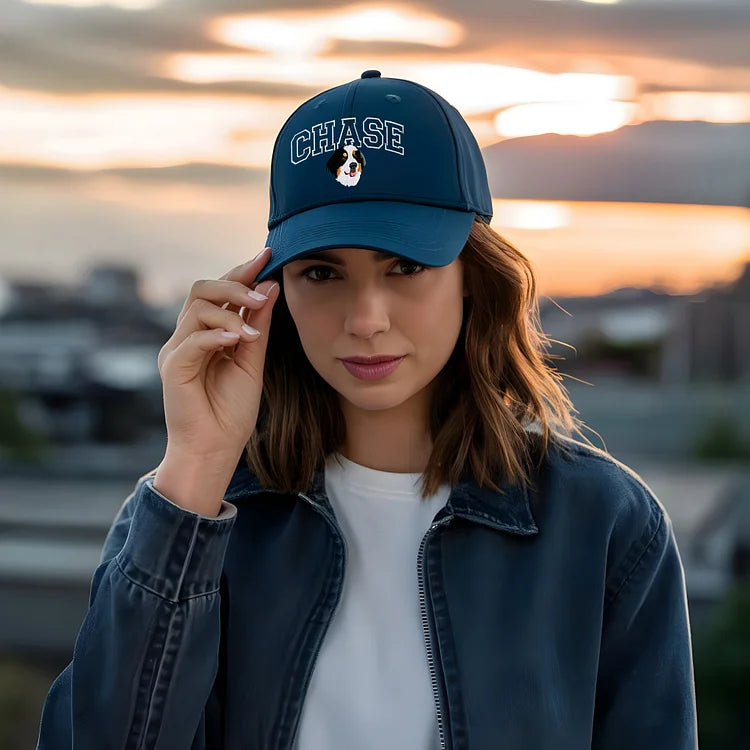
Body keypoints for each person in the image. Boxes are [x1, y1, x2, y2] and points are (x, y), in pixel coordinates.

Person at [36, 70, 698, 749]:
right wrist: (199, 462)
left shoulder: (603, 526)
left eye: (404, 266)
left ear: (474, 277)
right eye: (322, 273)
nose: (366, 319)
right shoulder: (193, 517)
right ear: (274, 292)